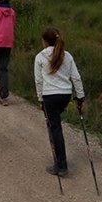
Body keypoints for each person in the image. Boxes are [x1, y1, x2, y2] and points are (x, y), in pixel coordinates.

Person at [34, 27, 85, 177]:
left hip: (50, 96)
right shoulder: (67, 55)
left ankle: (61, 165)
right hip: (65, 95)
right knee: (55, 124)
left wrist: (40, 98)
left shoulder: (40, 57)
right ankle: (60, 160)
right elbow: (76, 77)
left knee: (55, 128)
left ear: (44, 41)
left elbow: (38, 80)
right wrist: (80, 97)